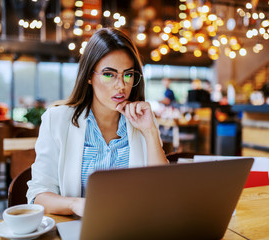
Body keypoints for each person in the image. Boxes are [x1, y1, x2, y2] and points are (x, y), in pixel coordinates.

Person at [27, 28, 169, 217]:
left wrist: (150, 132)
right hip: (79, 227)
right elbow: (38, 195)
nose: (121, 85)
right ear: (88, 76)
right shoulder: (57, 120)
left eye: (128, 74)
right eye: (109, 74)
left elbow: (163, 190)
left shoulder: (142, 121)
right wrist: (75, 204)